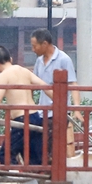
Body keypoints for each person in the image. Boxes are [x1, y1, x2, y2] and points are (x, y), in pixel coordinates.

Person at [0, 45, 51, 165]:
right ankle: (35, 182)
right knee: (34, 158)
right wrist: (60, 103)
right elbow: (46, 86)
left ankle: (16, 178)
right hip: (35, 117)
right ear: (11, 59)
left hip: (22, 120)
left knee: (5, 155)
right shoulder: (24, 71)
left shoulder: (4, 75)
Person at [31, 29, 81, 157]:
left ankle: (53, 174)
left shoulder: (64, 59)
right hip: (42, 112)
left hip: (59, 111)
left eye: (34, 46)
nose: (33, 49)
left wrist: (76, 109)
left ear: (45, 44)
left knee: (53, 146)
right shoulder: (39, 61)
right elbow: (32, 83)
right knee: (41, 146)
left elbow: (72, 84)